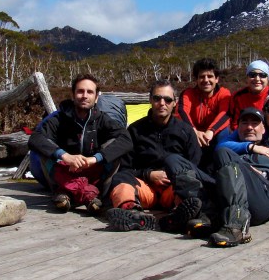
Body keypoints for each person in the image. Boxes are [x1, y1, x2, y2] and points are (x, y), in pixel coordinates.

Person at [105, 80, 213, 233]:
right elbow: (126, 167)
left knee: (189, 184)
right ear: (150, 100)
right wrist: (148, 174)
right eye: (157, 98)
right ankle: (131, 213)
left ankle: (178, 214)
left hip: (173, 189)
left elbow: (194, 166)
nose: (162, 103)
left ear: (174, 103)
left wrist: (174, 176)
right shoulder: (135, 130)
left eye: (167, 99)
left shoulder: (186, 131)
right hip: (145, 187)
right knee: (120, 180)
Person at [28, 74, 132, 214]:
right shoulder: (60, 118)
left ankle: (67, 195)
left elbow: (125, 139)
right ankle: (90, 195)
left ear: (96, 98)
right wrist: (65, 156)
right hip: (66, 172)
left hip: (93, 172)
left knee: (115, 146)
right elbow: (35, 138)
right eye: (80, 91)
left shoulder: (102, 119)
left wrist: (95, 158)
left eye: (89, 92)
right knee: (44, 149)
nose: (84, 95)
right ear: (73, 95)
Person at [200, 107, 269, 247]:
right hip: (227, 200)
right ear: (238, 128)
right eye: (244, 123)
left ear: (263, 129)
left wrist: (263, 174)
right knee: (175, 161)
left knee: (224, 153)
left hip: (261, 200)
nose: (249, 127)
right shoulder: (230, 152)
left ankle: (237, 225)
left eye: (255, 123)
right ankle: (203, 212)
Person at [177, 58, 232, 170]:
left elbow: (225, 114)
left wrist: (210, 131)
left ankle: (222, 168)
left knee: (224, 133)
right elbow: (182, 112)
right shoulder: (188, 94)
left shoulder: (223, 94)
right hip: (192, 135)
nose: (206, 80)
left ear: (217, 79)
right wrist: (193, 131)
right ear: (196, 79)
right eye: (202, 77)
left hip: (213, 136)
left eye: (210, 76)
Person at [229, 60, 269, 130]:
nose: (257, 79)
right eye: (252, 75)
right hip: (244, 135)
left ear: (268, 78)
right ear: (247, 77)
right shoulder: (238, 97)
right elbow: (235, 124)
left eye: (262, 75)